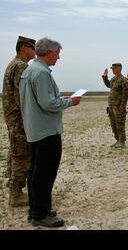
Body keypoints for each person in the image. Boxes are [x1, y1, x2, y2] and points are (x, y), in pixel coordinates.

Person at [19, 37, 81, 227]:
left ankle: (37, 210)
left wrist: (59, 98)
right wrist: (70, 101)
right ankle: (41, 214)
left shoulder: (30, 70)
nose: (58, 57)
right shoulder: (42, 72)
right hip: (46, 131)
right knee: (44, 174)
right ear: (49, 52)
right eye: (57, 53)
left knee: (35, 173)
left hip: (36, 129)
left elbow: (42, 99)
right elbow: (47, 103)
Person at [2, 35, 36, 207]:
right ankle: (16, 193)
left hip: (13, 118)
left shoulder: (14, 64)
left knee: (14, 152)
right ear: (24, 48)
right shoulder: (20, 66)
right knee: (21, 155)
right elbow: (21, 97)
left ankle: (14, 187)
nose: (35, 51)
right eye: (32, 48)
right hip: (19, 119)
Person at [102, 63, 128, 148]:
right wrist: (105, 77)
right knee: (113, 124)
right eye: (112, 68)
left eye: (114, 68)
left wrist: (123, 105)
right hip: (112, 105)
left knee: (120, 124)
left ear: (119, 69)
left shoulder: (123, 80)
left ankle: (122, 141)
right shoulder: (113, 79)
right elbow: (108, 85)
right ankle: (118, 140)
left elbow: (126, 93)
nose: (112, 70)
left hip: (119, 106)